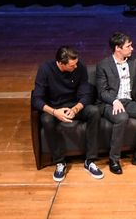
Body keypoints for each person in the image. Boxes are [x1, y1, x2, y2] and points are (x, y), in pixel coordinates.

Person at [31, 45, 105, 182]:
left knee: (94, 111)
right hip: (54, 108)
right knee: (46, 120)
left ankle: (90, 160)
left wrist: (76, 109)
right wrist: (54, 112)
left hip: (74, 106)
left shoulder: (80, 67)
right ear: (60, 63)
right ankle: (60, 162)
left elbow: (86, 94)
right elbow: (36, 99)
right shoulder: (45, 70)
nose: (76, 67)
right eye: (72, 65)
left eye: (76, 63)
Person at [94, 31, 136, 174]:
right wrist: (114, 101)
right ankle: (114, 159)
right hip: (108, 104)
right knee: (122, 117)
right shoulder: (103, 65)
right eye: (128, 46)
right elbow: (102, 91)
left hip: (128, 102)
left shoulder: (134, 61)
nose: (132, 48)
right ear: (118, 48)